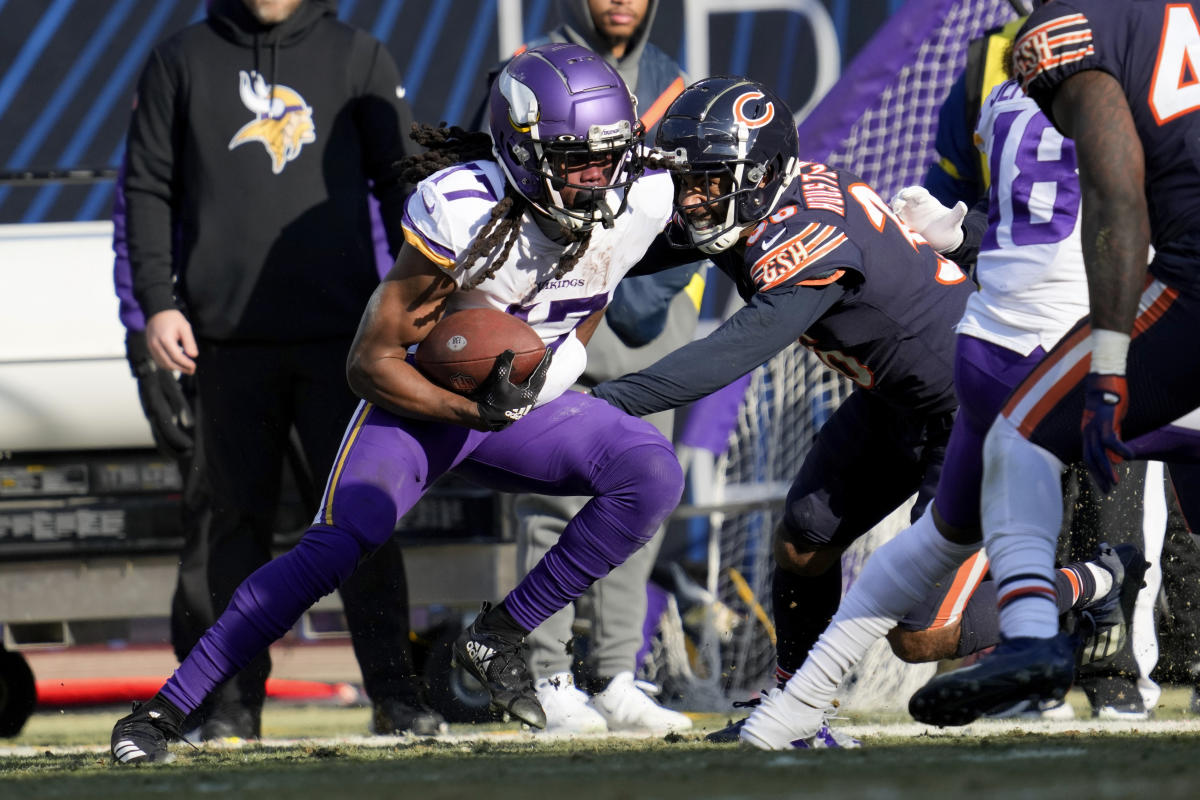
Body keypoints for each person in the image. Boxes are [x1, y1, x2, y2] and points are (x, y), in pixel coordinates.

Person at [110, 41, 685, 764]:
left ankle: (501, 634)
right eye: (575, 157)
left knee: (651, 472)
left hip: (517, 403)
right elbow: (368, 364)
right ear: (521, 148)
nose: (597, 175)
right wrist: (477, 412)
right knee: (338, 544)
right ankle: (162, 712)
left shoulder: (642, 194)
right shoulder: (464, 212)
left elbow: (592, 291)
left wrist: (551, 373)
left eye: (608, 154)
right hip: (422, 405)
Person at [733, 66, 1158, 749]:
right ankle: (799, 703)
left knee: (935, 617)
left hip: (1097, 339)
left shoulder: (1146, 85)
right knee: (879, 558)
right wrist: (951, 233)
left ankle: (1099, 605)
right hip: (983, 357)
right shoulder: (1001, 90)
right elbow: (1005, 227)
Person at [586, 75, 979, 748]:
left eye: (710, 180)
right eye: (690, 179)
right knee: (803, 541)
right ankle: (798, 714)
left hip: (975, 408)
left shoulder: (805, 241)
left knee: (922, 637)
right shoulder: (759, 202)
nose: (694, 197)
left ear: (759, 175)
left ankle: (1088, 585)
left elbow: (725, 356)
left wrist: (598, 405)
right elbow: (629, 251)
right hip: (897, 400)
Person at [115, 0, 443, 741]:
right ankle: (232, 706)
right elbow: (146, 188)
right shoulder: (180, 60)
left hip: (347, 348)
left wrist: (424, 299)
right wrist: (157, 304)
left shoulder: (360, 56)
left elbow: (405, 190)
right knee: (232, 533)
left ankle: (396, 695)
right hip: (224, 346)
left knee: (363, 520)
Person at [906, 0, 1200, 726]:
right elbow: (962, 197)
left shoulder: (1094, 38)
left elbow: (1123, 198)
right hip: (1028, 318)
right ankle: (1045, 635)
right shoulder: (986, 63)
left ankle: (1089, 654)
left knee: (1097, 479)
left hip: (1136, 299)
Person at [505, 0, 699, 735]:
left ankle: (617, 674)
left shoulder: (674, 82)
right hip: (552, 319)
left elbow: (689, 210)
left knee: (640, 503)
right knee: (549, 509)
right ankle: (547, 675)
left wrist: (640, 291)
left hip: (650, 329)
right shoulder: (528, 71)